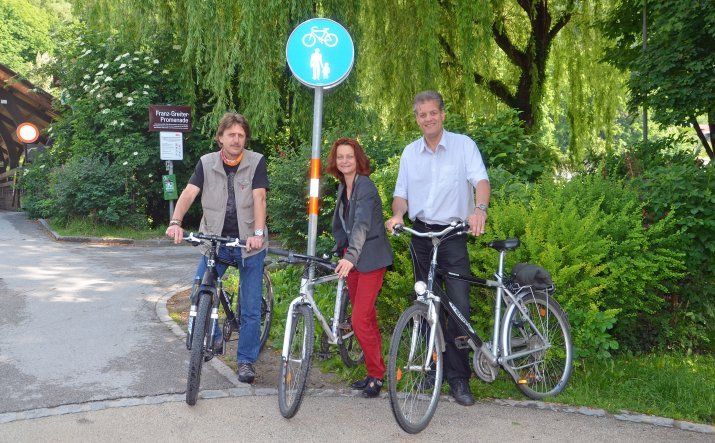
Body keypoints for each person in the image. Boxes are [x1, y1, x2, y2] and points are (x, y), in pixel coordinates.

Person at [385, 91, 490, 406]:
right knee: (425, 304)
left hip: (452, 234)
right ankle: (432, 368)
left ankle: (459, 379)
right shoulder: (410, 153)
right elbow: (401, 195)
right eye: (422, 114)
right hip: (421, 235)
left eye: (433, 113)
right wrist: (398, 214)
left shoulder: (463, 146)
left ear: (443, 114)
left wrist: (480, 209)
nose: (428, 118)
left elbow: (481, 181)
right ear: (416, 119)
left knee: (457, 307)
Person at [166, 112, 268, 384]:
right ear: (220, 137)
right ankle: (211, 336)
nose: (236, 139)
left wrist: (258, 234)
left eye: (241, 135)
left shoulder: (256, 161)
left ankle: (245, 361)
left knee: (250, 307)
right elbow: (189, 192)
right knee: (200, 292)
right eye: (231, 134)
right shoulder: (206, 162)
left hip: (249, 244)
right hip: (215, 241)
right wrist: (176, 222)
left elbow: (260, 198)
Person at [327, 137, 394, 398]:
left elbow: (362, 224)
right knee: (366, 319)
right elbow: (344, 226)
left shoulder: (364, 185)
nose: (344, 161)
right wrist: (340, 251)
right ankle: (374, 373)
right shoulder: (344, 186)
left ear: (358, 160)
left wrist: (351, 257)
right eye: (340, 157)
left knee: (359, 319)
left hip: (370, 260)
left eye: (349, 156)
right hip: (353, 259)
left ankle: (377, 375)